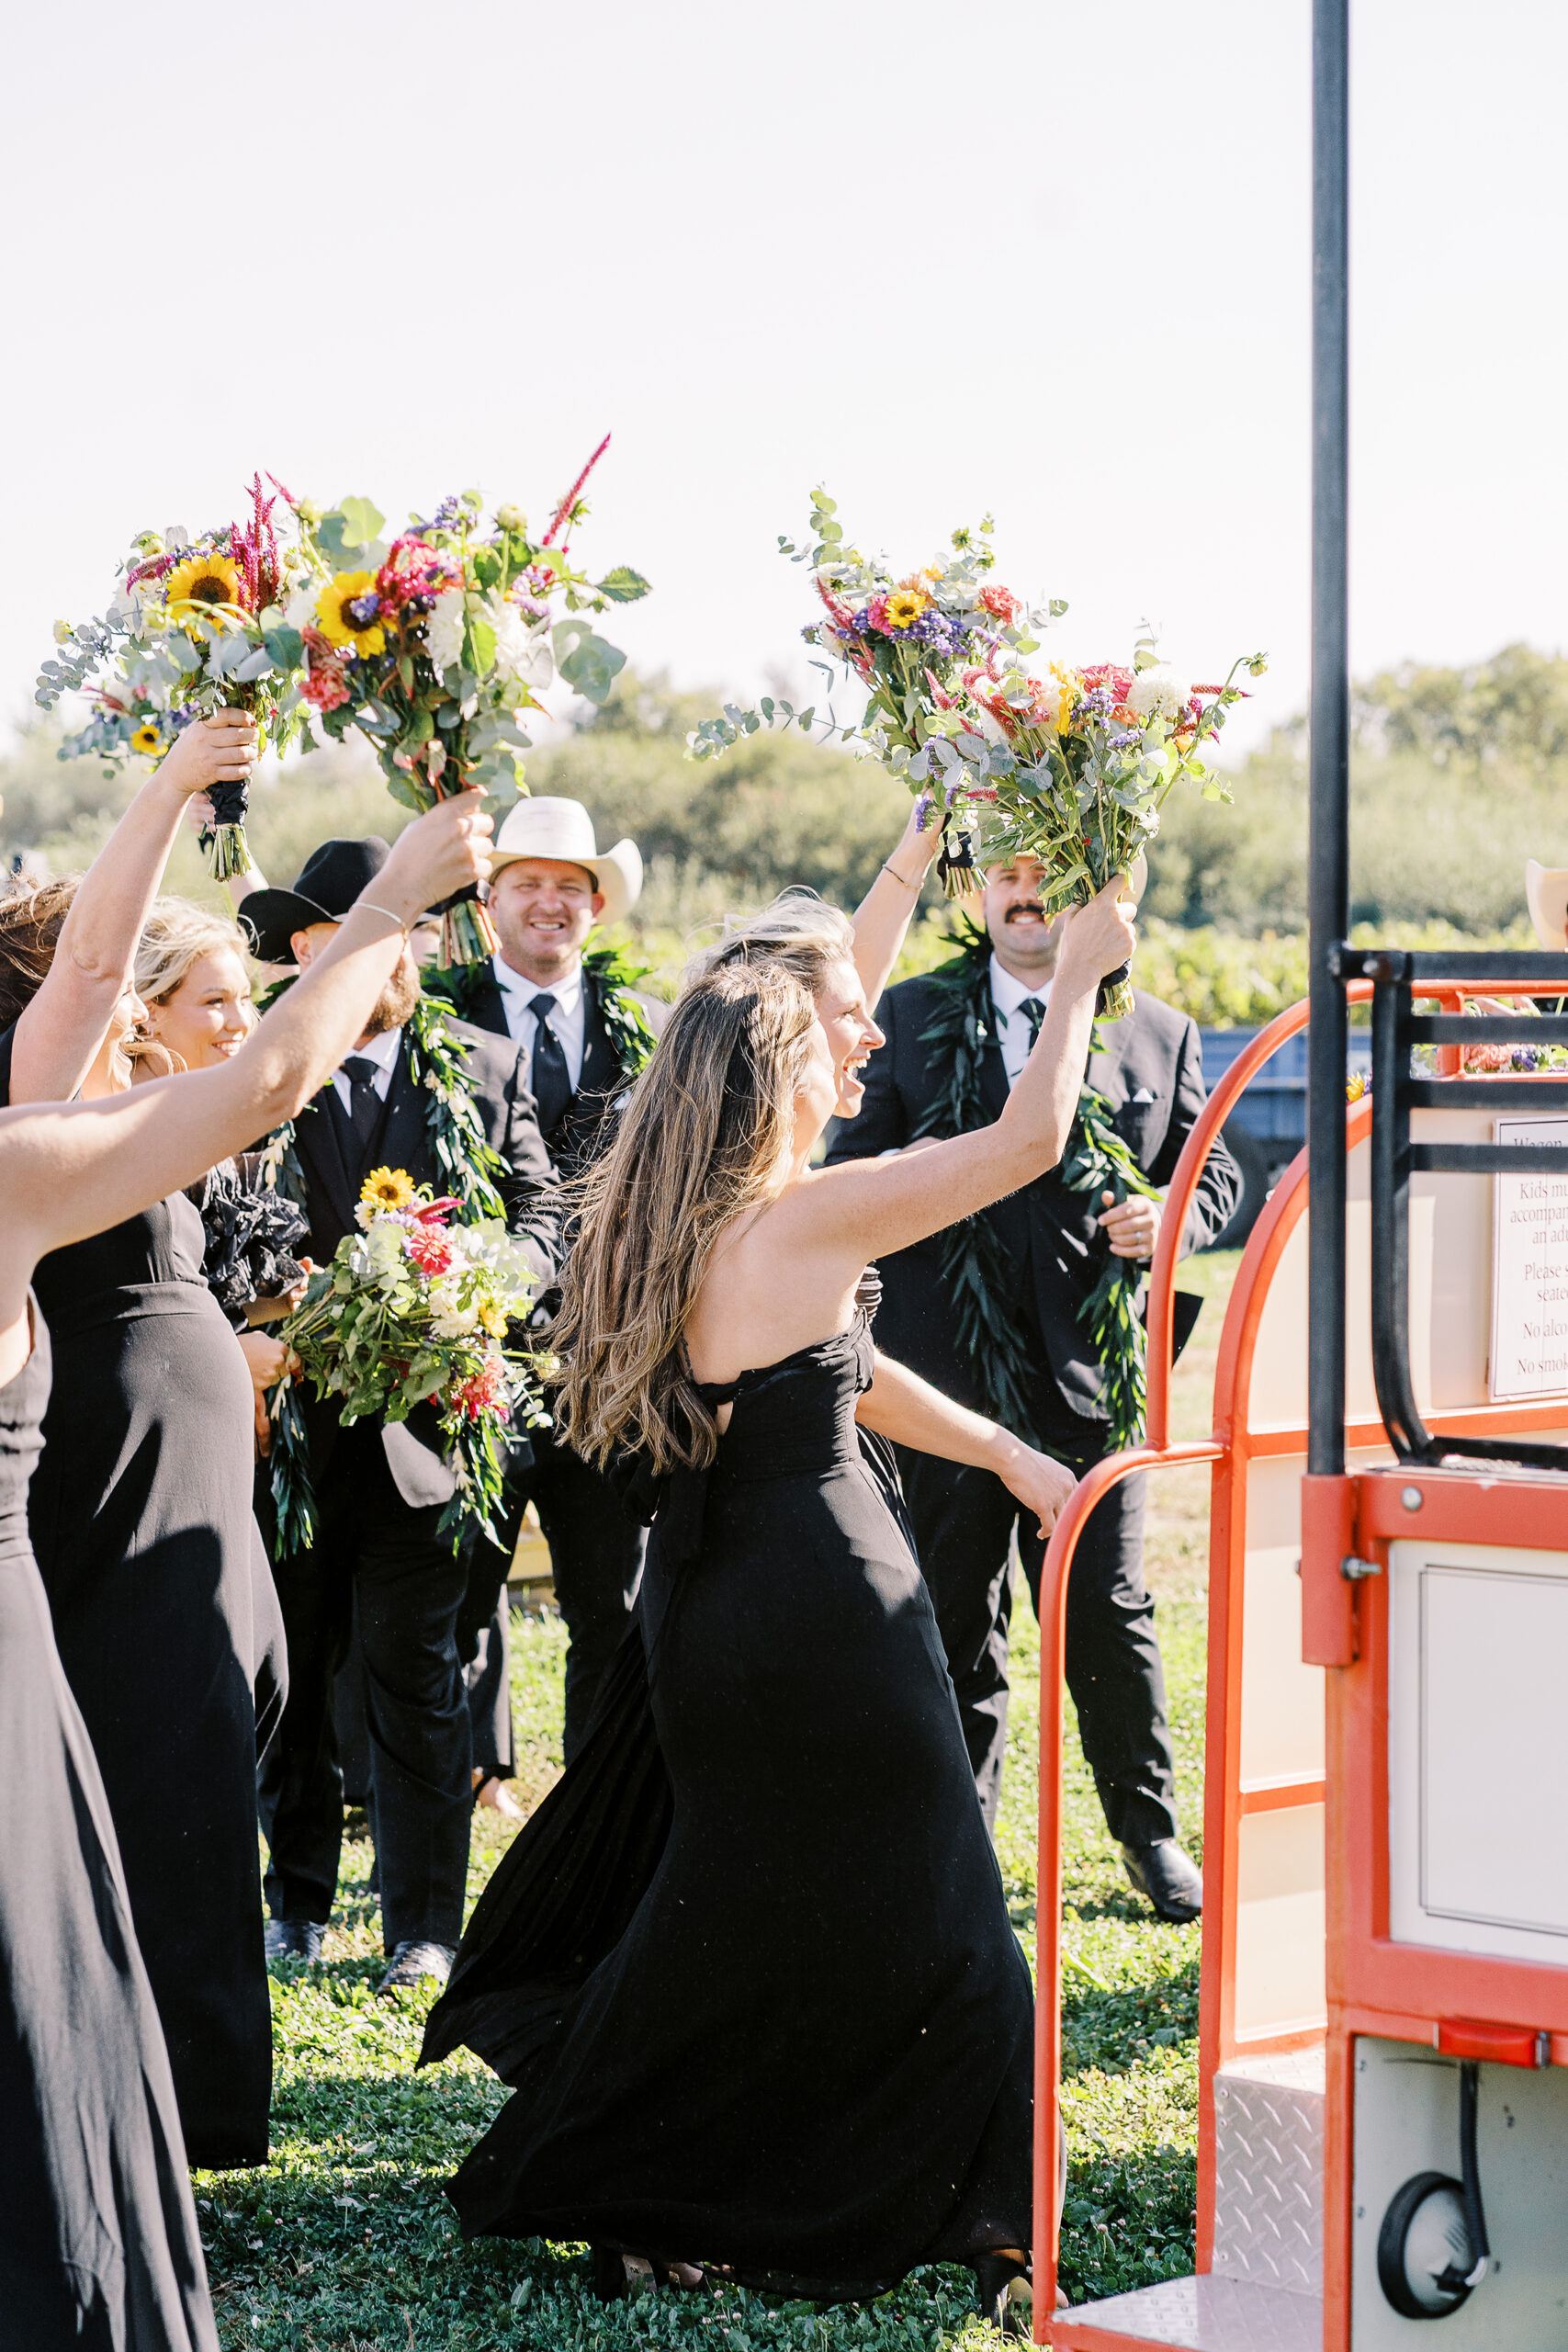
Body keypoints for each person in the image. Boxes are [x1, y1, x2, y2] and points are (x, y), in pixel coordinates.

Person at [422, 813, 1136, 2322]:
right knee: (940, 1911)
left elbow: (826, 1372)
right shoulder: (806, 1216)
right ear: (781, 1068)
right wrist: (1076, 979)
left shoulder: (672, 1211)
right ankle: (973, 2208)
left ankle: (663, 2182)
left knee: (754, 1915)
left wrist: (913, 846)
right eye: (838, 1035)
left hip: (710, 1603)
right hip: (818, 1616)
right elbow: (1028, 1144)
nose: (863, 1043)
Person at [0, 786, 490, 2347]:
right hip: (83, 1540)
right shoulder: (35, 1142)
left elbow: (92, 976)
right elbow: (242, 1050)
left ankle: (147, 2128)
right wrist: (396, 902)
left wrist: (179, 774)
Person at [825, 852, 1238, 1923]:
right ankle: (954, 1849)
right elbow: (849, 1163)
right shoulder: (907, 1016)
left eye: (1050, 871)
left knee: (1108, 1614)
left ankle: (1150, 1839)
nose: (1026, 891)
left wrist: (1171, 1212)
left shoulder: (1159, 1030)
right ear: (972, 893)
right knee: (953, 1614)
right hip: (947, 1386)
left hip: (1093, 1385)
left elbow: (1218, 1172)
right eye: (1005, 871)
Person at [0, 718, 288, 2169]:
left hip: (182, 1488)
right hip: (102, 1486)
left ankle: (187, 2104)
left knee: (195, 1763)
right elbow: (99, 974)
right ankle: (138, 2106)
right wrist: (174, 785)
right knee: (147, 1769)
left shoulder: (118, 1112)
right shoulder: (40, 1106)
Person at [240, 836, 561, 1996]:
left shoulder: (481, 1064)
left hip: (436, 1433)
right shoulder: (263, 1071)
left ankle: (424, 1927)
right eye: (352, 933)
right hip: (291, 1438)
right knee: (296, 1670)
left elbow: (542, 1222)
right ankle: (298, 1907)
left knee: (420, 1673)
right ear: (311, 949)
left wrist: (479, 1289)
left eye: (404, 929)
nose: (385, 952)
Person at [423, 796, 661, 1781]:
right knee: (463, 1589)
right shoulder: (438, 1022)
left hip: (609, 1364)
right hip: (475, 1357)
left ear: (598, 907)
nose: (550, 905)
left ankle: (590, 1798)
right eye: (528, 885)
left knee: (608, 1597)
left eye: (571, 888)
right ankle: (475, 1778)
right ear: (490, 902)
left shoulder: (646, 1028)